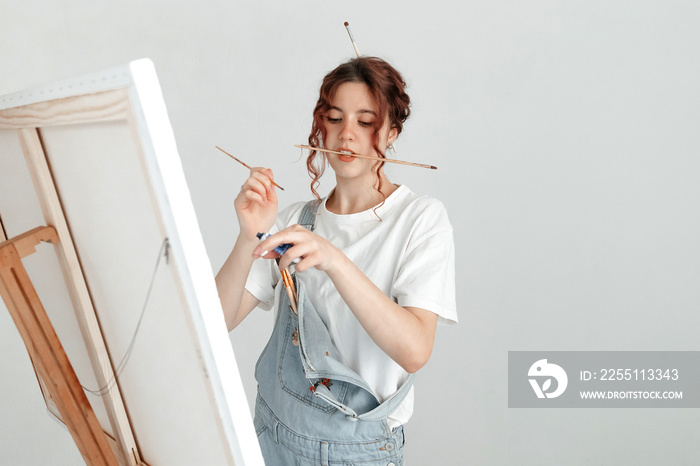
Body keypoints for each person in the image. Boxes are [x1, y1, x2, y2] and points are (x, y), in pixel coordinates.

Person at [216, 56, 457, 465]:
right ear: (320, 126)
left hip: (357, 452)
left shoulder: (421, 220)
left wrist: (334, 259)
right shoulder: (296, 220)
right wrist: (248, 236)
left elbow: (415, 350)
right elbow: (216, 322)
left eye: (366, 122)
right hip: (272, 436)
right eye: (334, 118)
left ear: (392, 132)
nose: (347, 135)